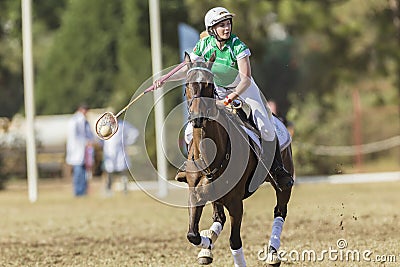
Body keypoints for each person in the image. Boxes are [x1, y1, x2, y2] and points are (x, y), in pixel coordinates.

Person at [154, 7, 293, 191]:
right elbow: (188, 68)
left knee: (265, 127)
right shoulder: (204, 45)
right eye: (221, 25)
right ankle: (191, 167)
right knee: (190, 130)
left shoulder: (238, 46)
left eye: (227, 24)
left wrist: (230, 99)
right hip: (218, 89)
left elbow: (246, 79)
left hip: (244, 90)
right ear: (211, 29)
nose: (226, 28)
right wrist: (164, 79)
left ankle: (277, 169)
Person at [102, 119, 139, 196]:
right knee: (109, 171)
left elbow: (134, 132)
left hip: (120, 152)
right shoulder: (105, 126)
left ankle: (125, 190)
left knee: (123, 170)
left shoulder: (123, 125)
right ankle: (108, 190)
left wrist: (127, 142)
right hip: (109, 152)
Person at [66, 104, 95, 196]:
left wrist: (91, 141)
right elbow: (74, 137)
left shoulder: (85, 121)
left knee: (85, 172)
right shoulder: (75, 121)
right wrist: (85, 142)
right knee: (78, 172)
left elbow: (89, 134)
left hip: (85, 151)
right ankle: (78, 192)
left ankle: (83, 191)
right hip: (77, 151)